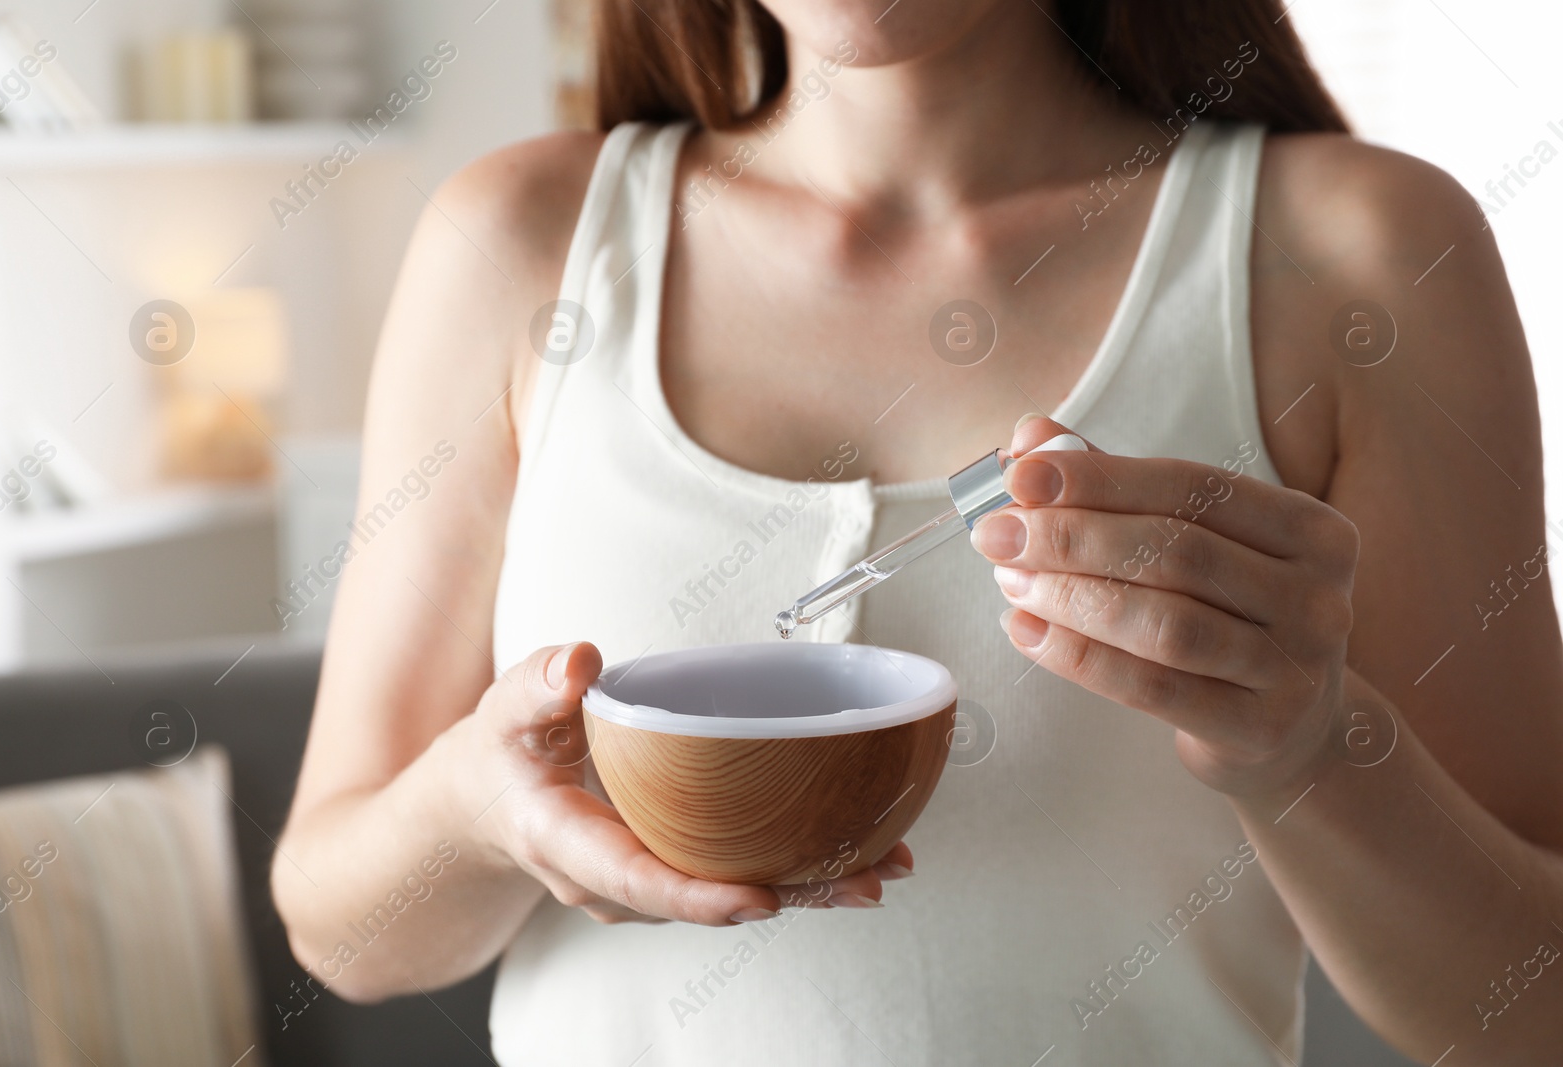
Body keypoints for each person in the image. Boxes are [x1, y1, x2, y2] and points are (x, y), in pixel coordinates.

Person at [271, 0, 1563, 1062]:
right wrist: (482, 813)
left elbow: (1533, 1008)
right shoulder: (518, 245)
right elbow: (342, 931)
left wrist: (1308, 744)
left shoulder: (1363, 252)